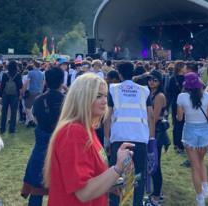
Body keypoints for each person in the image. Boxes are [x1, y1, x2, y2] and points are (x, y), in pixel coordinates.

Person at [43, 73, 134, 206]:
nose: (104, 101)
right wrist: (118, 167)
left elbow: (91, 176)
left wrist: (110, 183)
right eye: (98, 96)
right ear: (82, 98)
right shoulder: (73, 133)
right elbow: (83, 192)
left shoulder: (87, 129)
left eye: (105, 96)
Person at [104, 61, 154, 206]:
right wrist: (151, 138)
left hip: (119, 138)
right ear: (133, 73)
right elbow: (150, 115)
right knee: (139, 175)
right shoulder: (144, 90)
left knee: (116, 175)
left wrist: (107, 139)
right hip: (139, 138)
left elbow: (107, 117)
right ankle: (137, 203)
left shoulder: (113, 89)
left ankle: (114, 203)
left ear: (119, 74)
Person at [22, 67, 65, 206]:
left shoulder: (39, 100)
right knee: (62, 190)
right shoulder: (67, 100)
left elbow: (36, 119)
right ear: (62, 81)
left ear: (45, 80)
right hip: (62, 148)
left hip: (41, 148)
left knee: (36, 189)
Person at [177, 72, 208, 206]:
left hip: (190, 131)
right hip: (205, 131)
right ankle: (205, 188)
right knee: (201, 161)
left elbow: (180, 118)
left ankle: (200, 197)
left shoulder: (182, 97)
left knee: (195, 165)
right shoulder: (207, 95)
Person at [145, 70, 169, 206]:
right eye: (149, 79)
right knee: (152, 164)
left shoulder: (159, 96)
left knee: (155, 165)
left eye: (154, 79)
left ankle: (157, 195)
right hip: (152, 131)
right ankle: (156, 193)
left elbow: (153, 118)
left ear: (160, 82)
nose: (151, 81)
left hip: (156, 133)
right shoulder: (150, 94)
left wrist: (150, 136)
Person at [0, 60, 23, 134]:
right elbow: (20, 86)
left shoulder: (5, 74)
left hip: (5, 94)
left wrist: (0, 95)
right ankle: (12, 129)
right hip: (14, 95)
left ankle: (2, 128)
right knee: (13, 112)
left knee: (4, 112)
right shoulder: (18, 75)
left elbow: (2, 85)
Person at [23, 61, 45, 127]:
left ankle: (32, 120)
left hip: (31, 91)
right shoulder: (42, 73)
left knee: (27, 107)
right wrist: (41, 91)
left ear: (34, 65)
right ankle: (30, 121)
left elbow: (27, 82)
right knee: (33, 108)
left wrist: (24, 91)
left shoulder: (30, 72)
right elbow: (43, 83)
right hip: (39, 92)